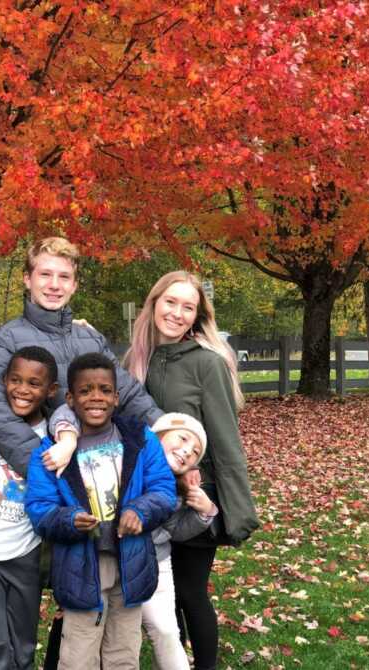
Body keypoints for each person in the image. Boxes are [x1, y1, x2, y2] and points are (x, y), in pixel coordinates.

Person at [122, 270, 259, 670]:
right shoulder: (136, 360)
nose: (177, 313)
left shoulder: (207, 364)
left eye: (188, 307)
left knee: (189, 591)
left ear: (197, 316)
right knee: (164, 598)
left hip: (196, 493)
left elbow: (225, 441)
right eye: (171, 302)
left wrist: (234, 510)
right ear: (154, 303)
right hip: (149, 497)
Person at [24, 353, 176, 670]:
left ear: (117, 397)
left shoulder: (140, 438)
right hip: (81, 567)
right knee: (79, 656)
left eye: (105, 390)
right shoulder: (50, 451)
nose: (96, 397)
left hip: (130, 562)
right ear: (70, 398)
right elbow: (39, 508)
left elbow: (163, 489)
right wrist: (68, 519)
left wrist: (140, 510)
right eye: (85, 390)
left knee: (123, 652)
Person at [0, 236, 163, 480]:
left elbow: (128, 393)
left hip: (101, 468)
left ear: (74, 285)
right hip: (50, 471)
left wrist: (167, 430)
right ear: (27, 279)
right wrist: (41, 463)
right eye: (45, 275)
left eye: (64, 277)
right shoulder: (6, 339)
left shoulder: (91, 340)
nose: (54, 285)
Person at [0, 346, 60, 670]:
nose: (22, 389)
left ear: (51, 391)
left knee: (23, 643)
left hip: (26, 554)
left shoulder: (55, 436)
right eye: (15, 380)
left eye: (34, 384)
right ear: (3, 380)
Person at [143, 413, 219, 670]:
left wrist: (204, 511)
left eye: (195, 452)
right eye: (183, 438)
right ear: (159, 435)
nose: (187, 451)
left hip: (156, 561)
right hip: (112, 559)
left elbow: (174, 530)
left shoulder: (176, 487)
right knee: (116, 636)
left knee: (166, 631)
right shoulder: (125, 459)